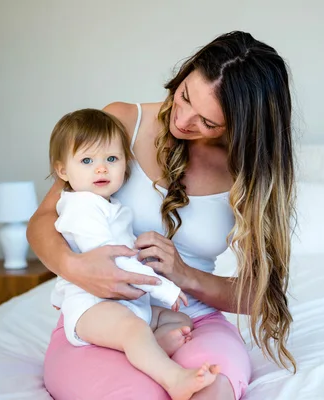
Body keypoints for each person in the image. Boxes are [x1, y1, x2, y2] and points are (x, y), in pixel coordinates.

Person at [27, 30, 297, 400]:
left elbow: (260, 296)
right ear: (184, 73)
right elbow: (43, 221)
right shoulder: (123, 121)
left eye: (208, 122)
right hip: (101, 315)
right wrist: (77, 269)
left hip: (190, 319)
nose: (183, 120)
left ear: (242, 125)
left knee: (210, 387)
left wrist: (185, 275)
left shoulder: (251, 173)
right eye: (185, 96)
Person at [47, 108, 220, 400]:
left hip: (122, 302)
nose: (101, 169)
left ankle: (149, 348)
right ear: (63, 170)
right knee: (133, 330)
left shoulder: (108, 205)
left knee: (180, 322)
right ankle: (174, 378)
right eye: (87, 161)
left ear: (126, 163)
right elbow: (112, 262)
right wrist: (165, 287)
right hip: (92, 306)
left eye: (111, 159)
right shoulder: (80, 208)